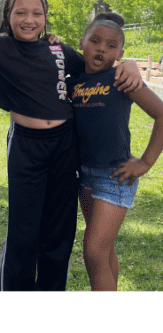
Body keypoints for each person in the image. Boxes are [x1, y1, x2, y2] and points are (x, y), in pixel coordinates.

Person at [0, 0, 142, 291]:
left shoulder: (59, 50)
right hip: (26, 145)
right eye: (20, 12)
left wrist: (127, 65)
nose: (29, 19)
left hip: (65, 145)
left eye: (37, 13)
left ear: (46, 18)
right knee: (24, 231)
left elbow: (97, 65)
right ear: (8, 16)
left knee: (60, 230)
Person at [69, 16, 163, 290]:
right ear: (81, 44)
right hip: (84, 175)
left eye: (111, 46)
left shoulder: (122, 77)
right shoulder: (73, 80)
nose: (101, 49)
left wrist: (145, 162)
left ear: (120, 54)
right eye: (95, 41)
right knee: (104, 249)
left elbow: (160, 113)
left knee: (93, 251)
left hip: (115, 176)